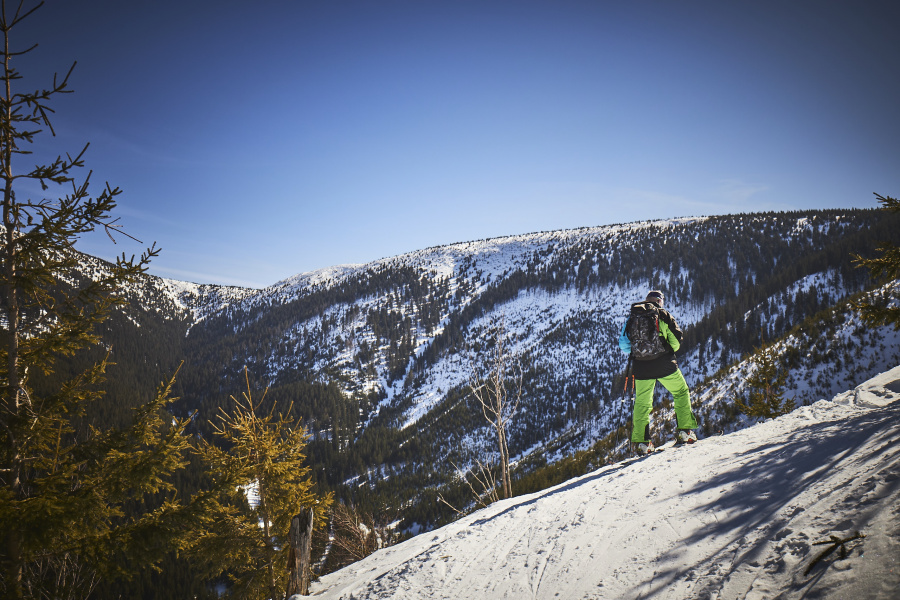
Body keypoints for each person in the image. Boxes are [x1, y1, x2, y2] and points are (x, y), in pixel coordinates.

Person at [618, 290, 698, 454]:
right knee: (681, 391)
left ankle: (643, 443)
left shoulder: (633, 318)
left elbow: (624, 345)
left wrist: (641, 352)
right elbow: (676, 342)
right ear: (660, 301)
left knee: (642, 403)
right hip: (664, 364)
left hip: (641, 366)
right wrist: (665, 350)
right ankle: (685, 432)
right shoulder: (663, 315)